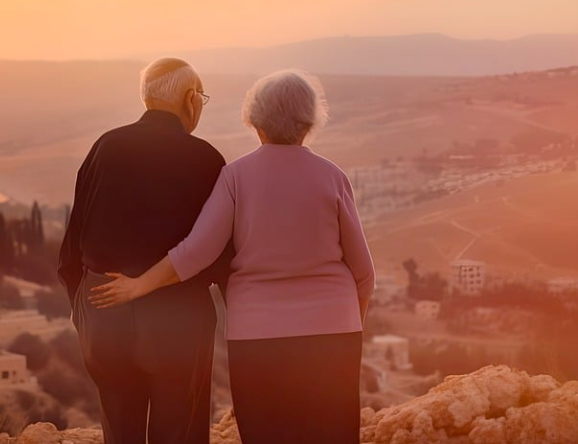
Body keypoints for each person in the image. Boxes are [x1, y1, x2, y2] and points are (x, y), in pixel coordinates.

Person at [89, 69, 376, 444]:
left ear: (255, 123)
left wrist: (139, 286)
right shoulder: (333, 177)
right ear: (309, 122)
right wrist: (350, 322)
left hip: (257, 335)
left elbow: (196, 252)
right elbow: (364, 273)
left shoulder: (236, 177)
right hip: (335, 331)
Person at [57, 57, 231, 444]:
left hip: (104, 309)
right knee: (179, 430)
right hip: (178, 316)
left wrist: (82, 310)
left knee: (120, 431)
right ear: (190, 99)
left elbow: (72, 245)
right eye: (202, 97)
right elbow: (222, 254)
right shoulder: (205, 159)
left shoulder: (104, 147)